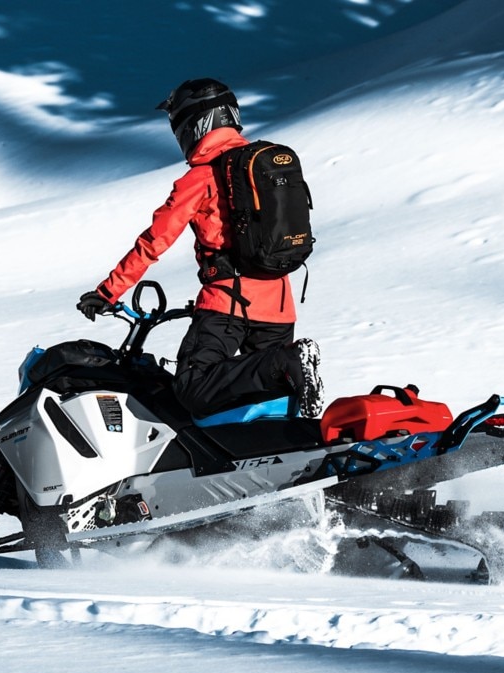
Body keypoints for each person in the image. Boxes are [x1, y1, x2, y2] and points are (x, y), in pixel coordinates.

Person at [76, 78, 323, 419]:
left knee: (195, 387)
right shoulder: (259, 167)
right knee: (267, 400)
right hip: (279, 304)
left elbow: (154, 241)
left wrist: (108, 292)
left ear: (194, 125)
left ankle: (287, 360)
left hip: (229, 304)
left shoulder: (202, 177)